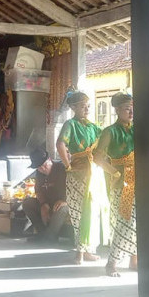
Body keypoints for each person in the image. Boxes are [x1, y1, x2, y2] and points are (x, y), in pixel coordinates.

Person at [56, 91, 108, 264]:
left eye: (87, 105)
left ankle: (87, 251)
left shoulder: (93, 127)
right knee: (79, 212)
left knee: (92, 212)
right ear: (73, 108)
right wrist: (67, 165)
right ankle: (79, 252)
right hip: (78, 174)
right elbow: (60, 143)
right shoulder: (70, 124)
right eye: (81, 105)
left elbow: (107, 142)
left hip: (95, 174)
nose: (86, 108)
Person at [94, 92, 137, 277]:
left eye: (133, 107)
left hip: (140, 179)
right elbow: (97, 158)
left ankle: (135, 259)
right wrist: (115, 172)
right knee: (125, 221)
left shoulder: (136, 129)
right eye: (127, 108)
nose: (131, 111)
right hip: (122, 183)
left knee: (139, 221)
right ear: (117, 110)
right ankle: (112, 262)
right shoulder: (109, 131)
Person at [23, 147, 68, 244]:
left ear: (49, 160)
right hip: (48, 202)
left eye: (44, 165)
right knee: (28, 203)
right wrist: (44, 204)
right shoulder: (39, 173)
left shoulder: (61, 168)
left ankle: (50, 237)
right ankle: (42, 233)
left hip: (64, 203)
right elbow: (38, 190)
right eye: (39, 167)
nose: (43, 169)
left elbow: (72, 187)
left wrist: (65, 201)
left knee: (61, 209)